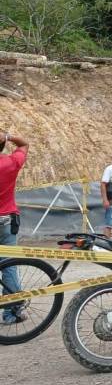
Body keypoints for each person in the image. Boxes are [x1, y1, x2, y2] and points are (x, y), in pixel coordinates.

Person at [0, 131, 29, 324]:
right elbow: (24, 144)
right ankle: (11, 314)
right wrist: (8, 136)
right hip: (6, 220)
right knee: (9, 267)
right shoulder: (11, 162)